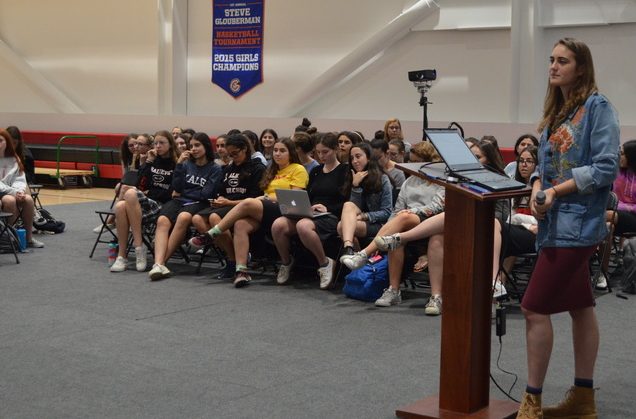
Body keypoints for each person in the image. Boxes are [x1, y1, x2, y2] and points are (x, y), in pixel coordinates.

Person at [515, 38, 620, 418]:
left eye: (563, 61)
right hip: (553, 222)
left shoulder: (597, 107)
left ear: (581, 67)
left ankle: (532, 400)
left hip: (578, 225)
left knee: (532, 308)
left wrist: (557, 189)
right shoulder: (559, 110)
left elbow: (607, 166)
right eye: (551, 60)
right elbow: (543, 162)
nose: (553, 67)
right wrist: (539, 186)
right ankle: (583, 399)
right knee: (580, 306)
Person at [372, 139, 510, 315]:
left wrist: (474, 218)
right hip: (457, 226)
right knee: (437, 236)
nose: (472, 161)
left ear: (488, 160)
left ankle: (398, 239)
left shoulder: (499, 179)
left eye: (477, 157)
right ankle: (436, 297)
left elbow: (501, 215)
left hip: (490, 228)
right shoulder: (457, 179)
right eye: (470, 157)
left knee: (433, 220)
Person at [339, 141, 445, 308]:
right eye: (411, 161)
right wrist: (391, 225)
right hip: (408, 222)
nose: (412, 165)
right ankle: (393, 290)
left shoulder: (441, 181)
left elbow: (437, 207)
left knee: (404, 220)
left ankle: (364, 254)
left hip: (432, 221)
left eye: (416, 161)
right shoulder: (409, 182)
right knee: (395, 236)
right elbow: (397, 210)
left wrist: (412, 212)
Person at [199, 137, 308, 288]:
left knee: (248, 202)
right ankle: (241, 271)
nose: (277, 154)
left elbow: (294, 197)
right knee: (240, 224)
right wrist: (264, 198)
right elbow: (262, 194)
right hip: (265, 209)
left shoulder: (298, 168)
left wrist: (266, 197)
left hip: (286, 210)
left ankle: (213, 233)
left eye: (282, 150)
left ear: (291, 153)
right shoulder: (272, 170)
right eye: (275, 150)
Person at [271, 132, 351, 289]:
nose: (321, 156)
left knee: (303, 226)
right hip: (311, 212)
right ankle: (287, 262)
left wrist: (327, 208)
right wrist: (302, 205)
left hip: (332, 215)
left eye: (325, 152)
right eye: (318, 152)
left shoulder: (345, 171)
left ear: (335, 149)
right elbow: (307, 195)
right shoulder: (316, 171)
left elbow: (348, 201)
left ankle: (325, 263)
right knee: (278, 225)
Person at [188, 134, 266, 279]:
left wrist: (228, 202)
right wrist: (219, 199)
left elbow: (255, 199)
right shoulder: (229, 168)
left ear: (245, 149)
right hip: (226, 205)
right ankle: (235, 257)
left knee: (214, 217)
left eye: (235, 154)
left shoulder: (257, 168)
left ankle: (231, 262)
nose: (232, 157)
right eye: (229, 155)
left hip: (243, 207)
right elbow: (221, 190)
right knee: (197, 219)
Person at [148, 132, 223, 280]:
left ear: (206, 147)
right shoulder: (186, 164)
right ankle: (158, 264)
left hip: (199, 203)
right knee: (162, 220)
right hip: (181, 199)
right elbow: (176, 186)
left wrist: (187, 192)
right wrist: (180, 165)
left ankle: (162, 262)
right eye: (191, 146)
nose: (193, 149)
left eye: (197, 145)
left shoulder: (215, 168)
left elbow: (206, 194)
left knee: (183, 217)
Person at [110, 130, 178, 272]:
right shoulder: (153, 160)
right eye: (156, 143)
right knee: (121, 205)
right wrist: (148, 162)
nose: (158, 146)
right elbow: (139, 182)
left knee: (128, 196)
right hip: (144, 202)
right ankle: (123, 255)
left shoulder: (176, 163)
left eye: (162, 143)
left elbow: (171, 192)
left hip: (161, 205)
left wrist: (151, 192)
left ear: (170, 145)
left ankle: (137, 245)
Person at [337, 142, 392, 254]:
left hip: (378, 223)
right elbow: (353, 207)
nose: (354, 161)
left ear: (368, 157)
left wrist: (365, 216)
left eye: (358, 156)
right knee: (347, 206)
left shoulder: (383, 179)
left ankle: (353, 253)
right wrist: (355, 186)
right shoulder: (352, 177)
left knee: (341, 226)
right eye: (352, 158)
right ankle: (350, 248)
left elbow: (387, 212)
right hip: (357, 220)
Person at [0, 129, 44, 248]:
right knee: (9, 200)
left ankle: (28, 238)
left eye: (0, 141)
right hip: (4, 192)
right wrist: (14, 192)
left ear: (6, 143)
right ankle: (10, 237)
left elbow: (20, 179)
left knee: (28, 200)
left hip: (11, 191)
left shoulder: (14, 159)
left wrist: (20, 191)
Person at [611, 140, 636, 235]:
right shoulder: (617, 173)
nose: (619, 157)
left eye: (622, 154)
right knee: (608, 224)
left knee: (606, 215)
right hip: (615, 211)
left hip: (633, 216)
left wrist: (622, 206)